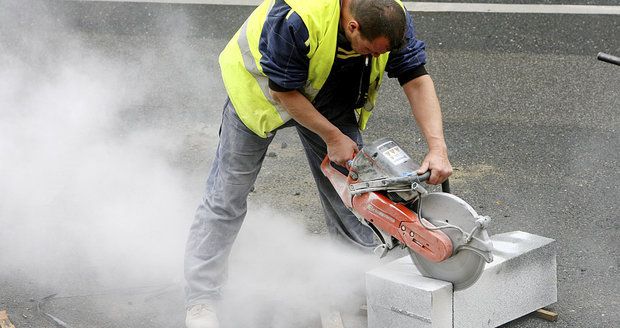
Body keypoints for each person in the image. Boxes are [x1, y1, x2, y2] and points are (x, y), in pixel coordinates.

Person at [184, 0, 452, 327]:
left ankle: (350, 299)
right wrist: (334, 137)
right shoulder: (297, 17)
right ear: (352, 26)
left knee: (357, 202)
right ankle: (201, 299)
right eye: (370, 50)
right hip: (261, 99)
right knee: (226, 198)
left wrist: (437, 148)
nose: (377, 58)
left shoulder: (390, 15)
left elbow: (416, 78)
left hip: (331, 97)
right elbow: (283, 91)